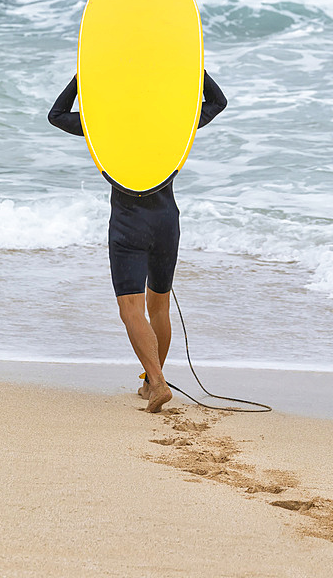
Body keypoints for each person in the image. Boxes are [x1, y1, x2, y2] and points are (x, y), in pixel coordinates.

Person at [48, 70, 227, 412]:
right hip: (165, 223)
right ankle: (150, 382)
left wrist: (85, 73)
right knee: (158, 306)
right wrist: (190, 63)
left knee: (131, 309)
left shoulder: (107, 123)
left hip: (128, 225)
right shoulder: (173, 121)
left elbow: (56, 115)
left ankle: (157, 382)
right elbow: (218, 102)